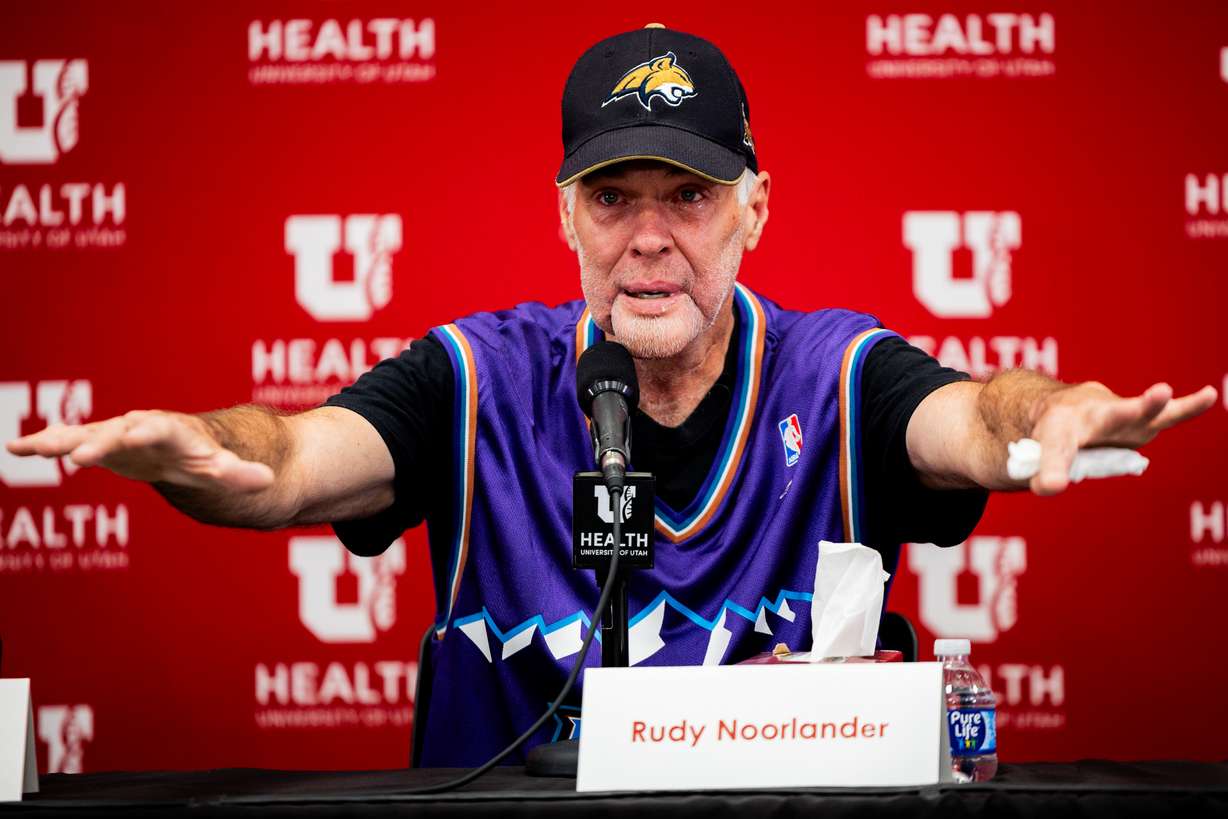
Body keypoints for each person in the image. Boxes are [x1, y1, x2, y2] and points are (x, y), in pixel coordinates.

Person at [6, 26, 1216, 766]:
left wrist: (1042, 416)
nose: (647, 238)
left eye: (688, 197)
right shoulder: (476, 378)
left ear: (754, 209)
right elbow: (288, 460)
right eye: (610, 197)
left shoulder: (835, 374)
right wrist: (202, 449)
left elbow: (969, 420)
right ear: (564, 217)